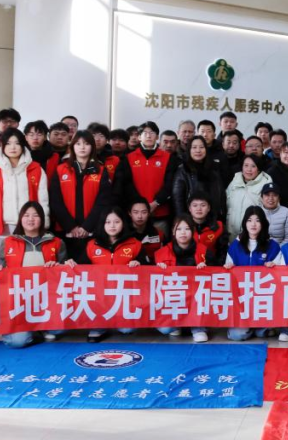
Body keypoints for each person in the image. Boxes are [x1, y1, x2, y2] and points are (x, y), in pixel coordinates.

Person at [83, 207, 173, 342]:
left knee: (127, 329)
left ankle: (117, 322)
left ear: (123, 223)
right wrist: (70, 263)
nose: (112, 226)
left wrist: (139, 264)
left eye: (116, 222)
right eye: (108, 222)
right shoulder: (91, 245)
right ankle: (99, 327)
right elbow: (80, 268)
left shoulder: (135, 244)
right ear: (102, 224)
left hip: (125, 297)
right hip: (100, 296)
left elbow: (147, 270)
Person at [0, 202, 73, 348]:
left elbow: (65, 275)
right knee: (17, 342)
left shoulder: (56, 242)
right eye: (26, 215)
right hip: (18, 301)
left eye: (35, 215)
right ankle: (34, 332)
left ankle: (40, 328)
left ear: (42, 219)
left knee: (61, 327)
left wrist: (61, 266)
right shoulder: (8, 242)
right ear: (20, 219)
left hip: (46, 299)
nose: (31, 219)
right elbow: (0, 274)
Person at [0, 129, 49, 266]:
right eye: (8, 143)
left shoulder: (36, 169)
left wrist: (44, 223)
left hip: (28, 226)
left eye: (17, 143)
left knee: (25, 263)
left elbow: (43, 200)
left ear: (23, 145)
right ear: (2, 145)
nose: (13, 147)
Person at [223, 206, 284, 341]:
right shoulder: (235, 246)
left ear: (263, 223)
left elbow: (281, 277)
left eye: (257, 220)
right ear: (245, 223)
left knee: (263, 332)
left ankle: (259, 328)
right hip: (242, 301)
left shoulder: (273, 246)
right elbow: (228, 277)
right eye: (249, 220)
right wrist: (229, 268)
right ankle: (250, 327)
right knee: (238, 335)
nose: (253, 224)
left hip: (264, 301)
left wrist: (275, 268)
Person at [51, 131, 111, 262]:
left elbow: (103, 201)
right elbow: (55, 201)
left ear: (92, 147)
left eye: (86, 143)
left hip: (92, 230)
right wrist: (71, 226)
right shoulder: (61, 169)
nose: (82, 147)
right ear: (72, 146)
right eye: (78, 144)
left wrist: (86, 227)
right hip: (66, 230)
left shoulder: (101, 170)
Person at [157, 214, 212, 342]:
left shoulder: (203, 251)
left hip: (196, 297)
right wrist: (159, 269)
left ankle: (198, 328)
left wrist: (206, 269)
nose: (183, 232)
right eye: (179, 229)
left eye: (187, 229)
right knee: (165, 329)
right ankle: (178, 324)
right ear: (173, 231)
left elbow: (217, 275)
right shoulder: (163, 252)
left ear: (192, 231)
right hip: (174, 297)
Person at [116, 121, 176, 234]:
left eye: (152, 133)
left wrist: (156, 203)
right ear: (139, 137)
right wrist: (140, 206)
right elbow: (127, 184)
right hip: (135, 214)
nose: (148, 136)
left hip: (160, 213)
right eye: (145, 133)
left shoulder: (168, 158)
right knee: (134, 243)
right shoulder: (128, 158)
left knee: (159, 242)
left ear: (157, 137)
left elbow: (170, 184)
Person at [172, 136, 225, 217]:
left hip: (214, 217)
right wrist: (183, 219)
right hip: (191, 218)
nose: (198, 150)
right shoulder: (183, 170)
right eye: (194, 147)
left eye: (201, 147)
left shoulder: (214, 168)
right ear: (189, 150)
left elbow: (221, 194)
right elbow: (178, 200)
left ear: (206, 149)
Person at [225, 155, 273, 237]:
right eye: (246, 165)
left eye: (253, 166)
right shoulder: (235, 181)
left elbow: (271, 212)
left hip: (254, 234)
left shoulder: (266, 184)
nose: (249, 169)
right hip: (231, 232)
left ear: (258, 169)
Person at [186, 191, 229, 267]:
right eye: (195, 205)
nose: (199, 209)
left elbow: (223, 254)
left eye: (203, 205)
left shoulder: (218, 227)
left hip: (212, 268)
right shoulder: (182, 227)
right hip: (188, 269)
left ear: (208, 208)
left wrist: (213, 266)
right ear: (190, 208)